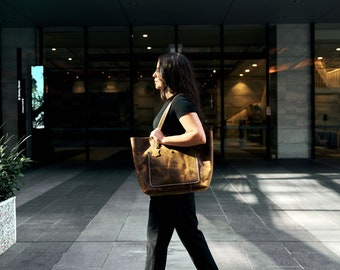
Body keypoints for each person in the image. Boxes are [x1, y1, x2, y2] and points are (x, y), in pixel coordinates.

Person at [146, 53, 219, 270]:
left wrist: (164, 138)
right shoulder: (175, 101)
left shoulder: (180, 101)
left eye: (158, 70)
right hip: (171, 184)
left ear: (170, 73)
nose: (153, 74)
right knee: (165, 239)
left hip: (173, 184)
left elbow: (198, 135)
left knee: (169, 238)